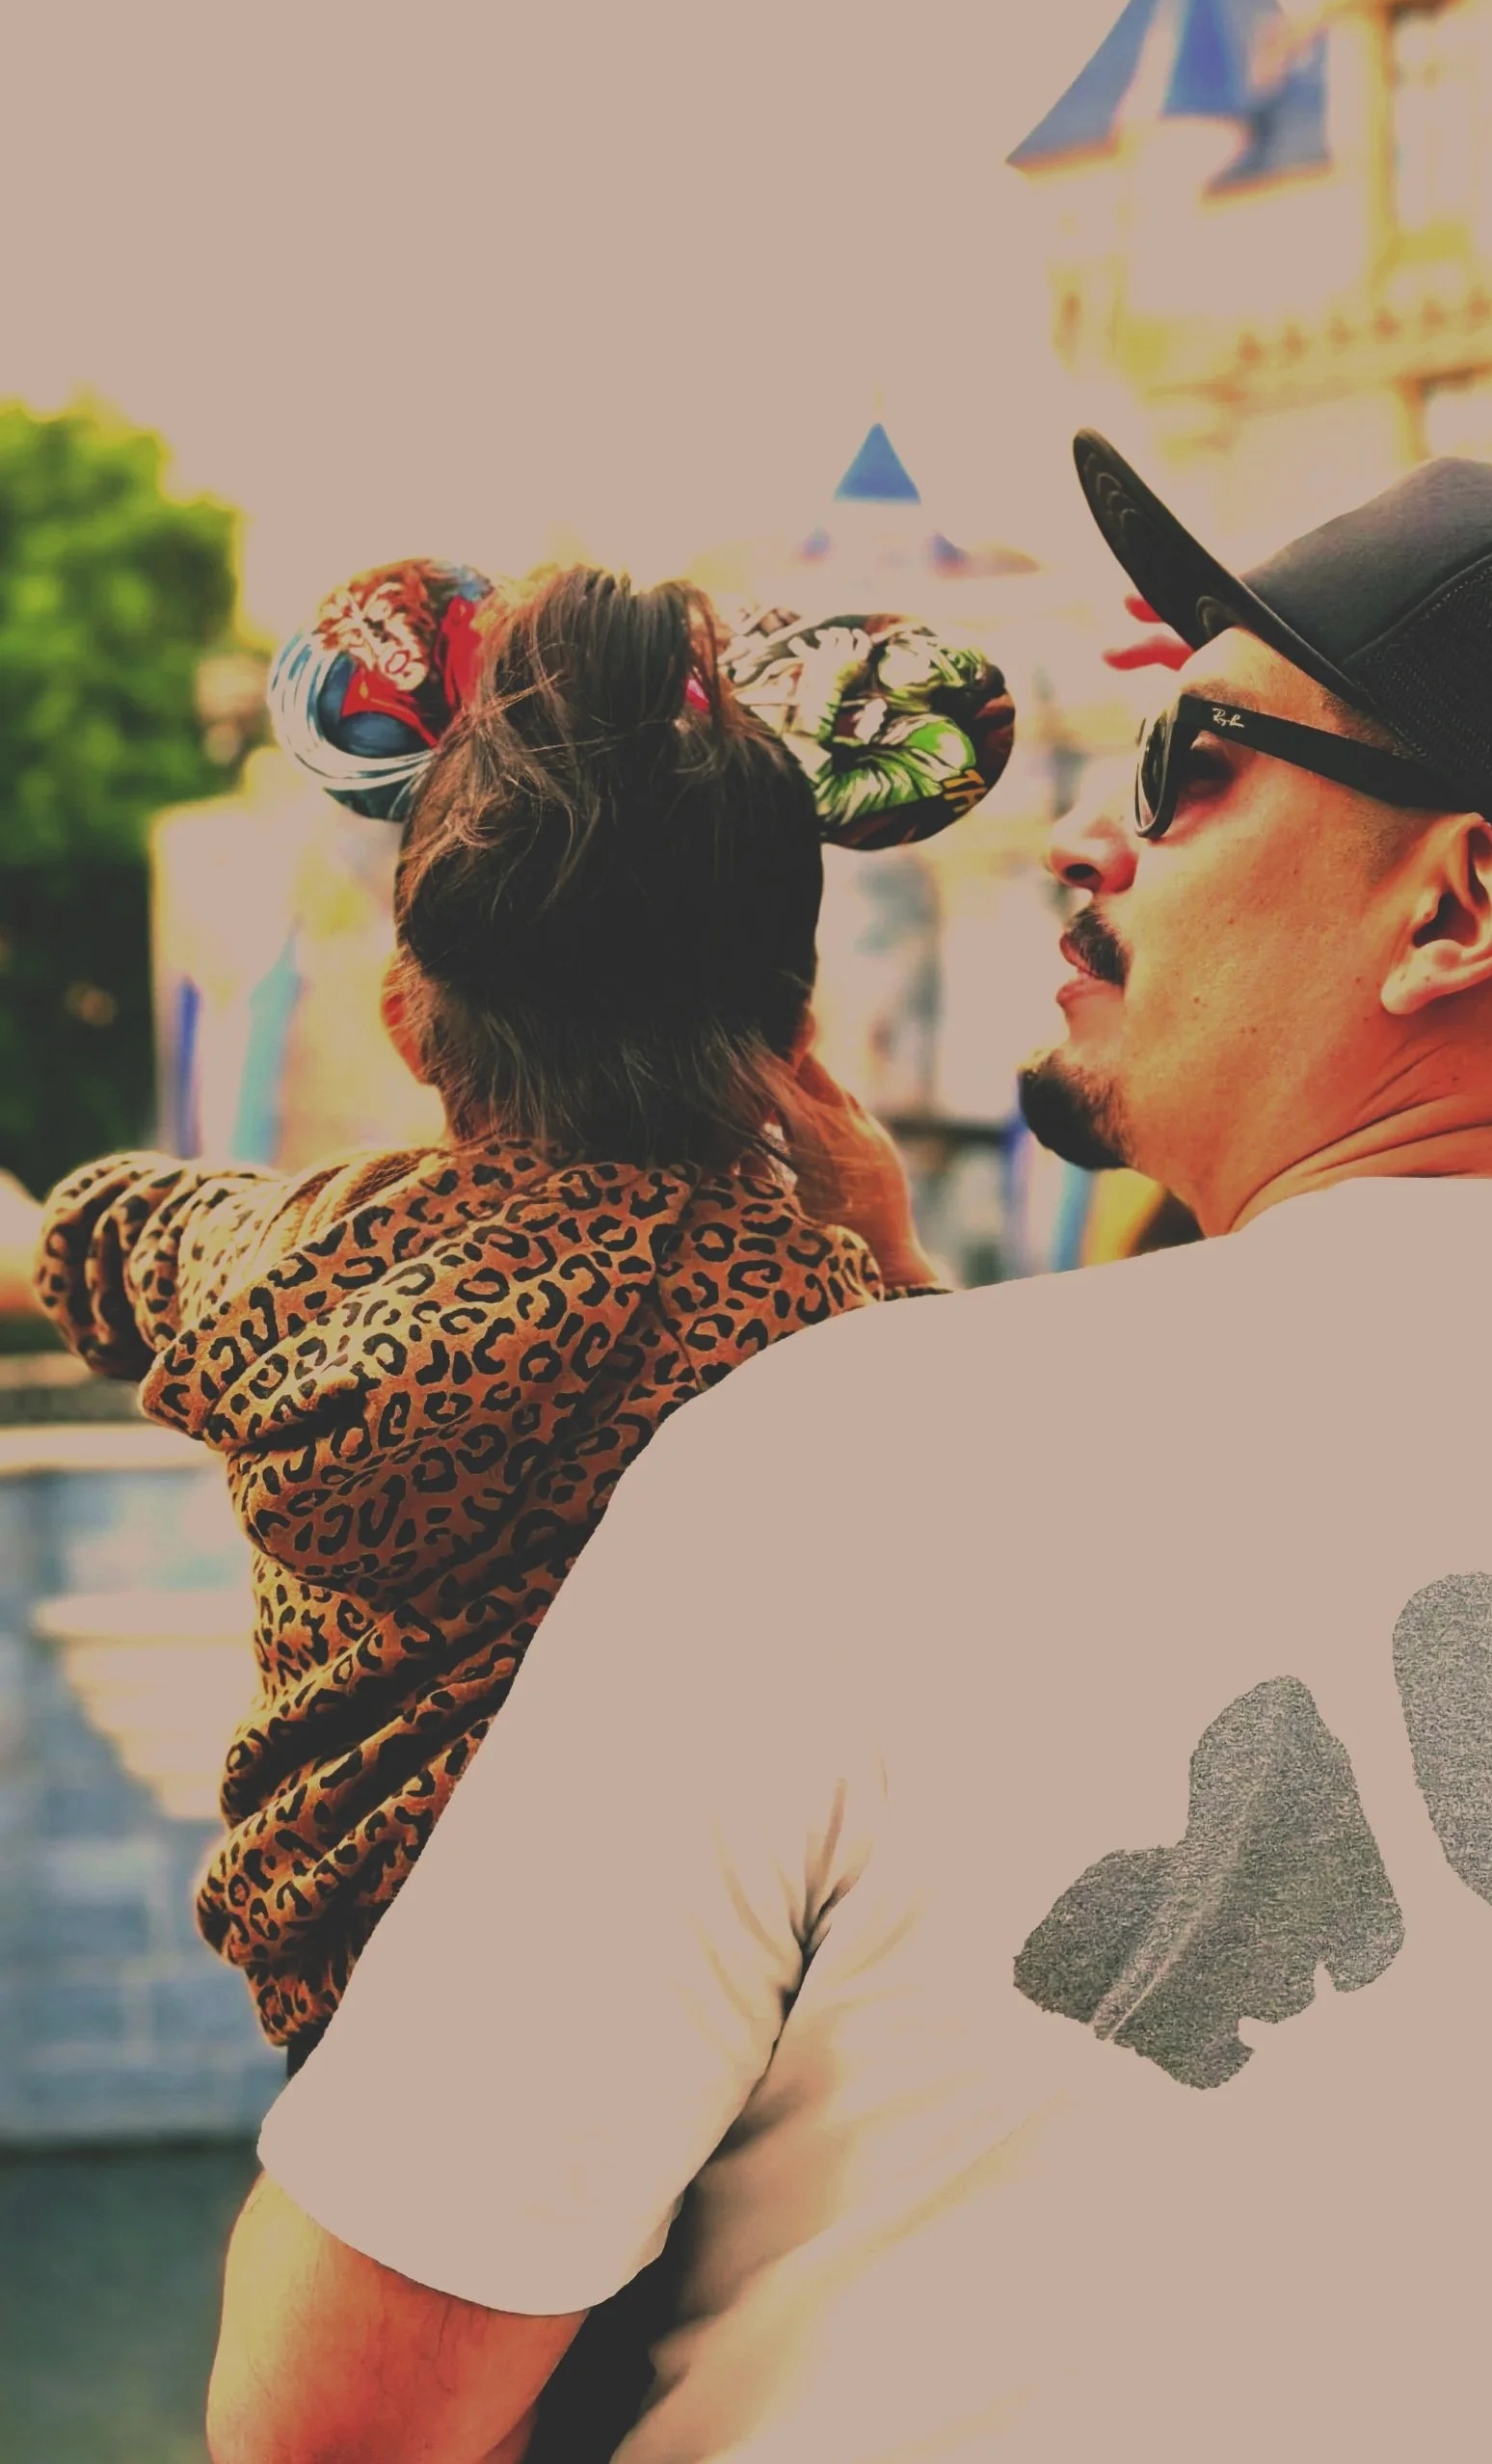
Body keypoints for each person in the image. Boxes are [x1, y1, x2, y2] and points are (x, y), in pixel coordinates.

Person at [205, 439, 1492, 2464]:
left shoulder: (837, 1481)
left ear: (1456, 905)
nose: (1091, 847)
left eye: (1194, 769)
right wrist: (901, 1292)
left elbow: (333, 2413)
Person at [36, 556, 1010, 2454]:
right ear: (791, 1024)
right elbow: (994, 1538)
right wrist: (889, 1243)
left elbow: (80, 1237)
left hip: (370, 2082)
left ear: (411, 1023)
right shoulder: (821, 1327)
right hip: (726, 2109)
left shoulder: (284, 1264)